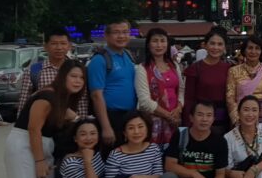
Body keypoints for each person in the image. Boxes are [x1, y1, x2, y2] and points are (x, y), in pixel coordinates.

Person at [87, 18, 138, 149]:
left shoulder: (127, 55)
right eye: (116, 32)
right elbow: (96, 95)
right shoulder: (99, 60)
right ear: (107, 35)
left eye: (125, 32)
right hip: (111, 118)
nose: (121, 36)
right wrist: (106, 127)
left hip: (129, 117)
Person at [18, 28, 89, 117]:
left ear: (69, 46)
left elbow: (82, 101)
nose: (59, 48)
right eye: (54, 44)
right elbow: (23, 105)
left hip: (73, 125)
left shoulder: (79, 70)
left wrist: (81, 123)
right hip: (44, 126)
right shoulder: (34, 72)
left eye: (63, 43)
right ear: (45, 47)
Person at [135, 27, 184, 146]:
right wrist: (168, 116)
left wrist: (179, 108)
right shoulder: (142, 69)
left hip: (175, 120)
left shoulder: (174, 66)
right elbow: (144, 101)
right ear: (148, 45)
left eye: (162, 41)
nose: (159, 45)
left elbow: (181, 90)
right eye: (155, 41)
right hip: (153, 123)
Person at [183, 27, 233, 135]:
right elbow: (188, 99)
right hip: (200, 121)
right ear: (205, 45)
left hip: (223, 122)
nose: (216, 47)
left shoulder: (230, 69)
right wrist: (188, 124)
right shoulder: (195, 68)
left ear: (224, 47)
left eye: (220, 44)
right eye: (212, 43)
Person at [226, 35, 262, 126]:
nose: (253, 51)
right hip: (240, 117)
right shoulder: (233, 71)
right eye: (250, 48)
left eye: (257, 48)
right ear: (244, 50)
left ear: (261, 51)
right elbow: (230, 98)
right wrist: (236, 121)